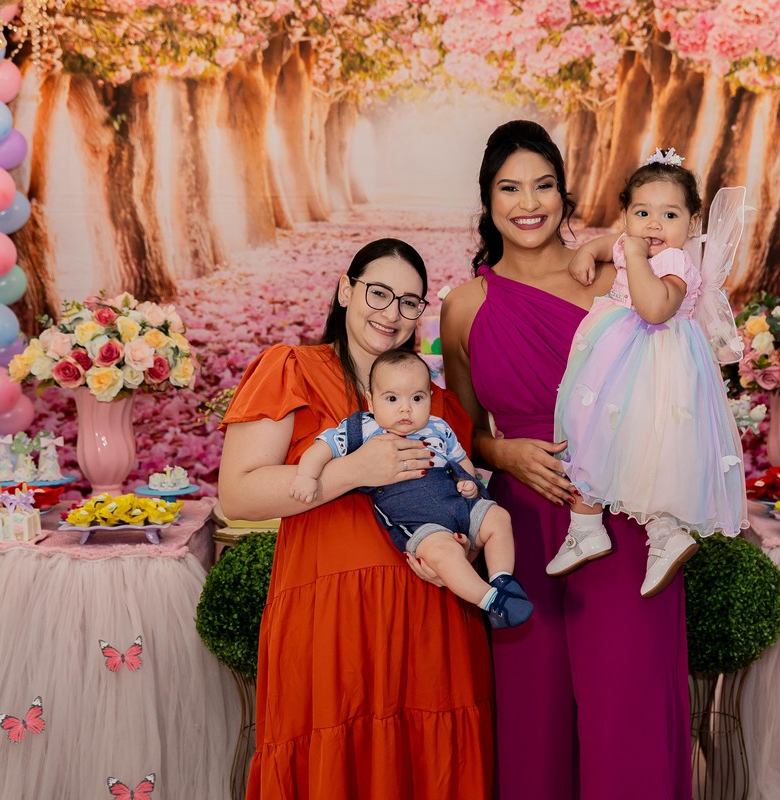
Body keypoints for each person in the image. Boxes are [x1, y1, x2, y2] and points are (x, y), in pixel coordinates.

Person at [440, 120, 690, 799]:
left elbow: (677, 369)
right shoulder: (464, 307)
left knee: (626, 711)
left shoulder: (615, 275)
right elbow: (461, 431)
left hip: (623, 516)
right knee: (533, 716)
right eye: (510, 188)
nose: (529, 203)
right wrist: (504, 453)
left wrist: (613, 244)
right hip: (520, 528)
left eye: (543, 185)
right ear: (487, 200)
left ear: (564, 193)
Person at [219, 238, 494, 799]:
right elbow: (238, 494)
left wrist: (461, 548)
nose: (391, 313)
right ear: (346, 290)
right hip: (329, 623)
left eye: (410, 302)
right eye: (378, 293)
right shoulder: (291, 370)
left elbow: (463, 503)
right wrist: (351, 470)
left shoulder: (438, 406)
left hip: (429, 624)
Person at [550, 149, 748, 597]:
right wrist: (589, 249)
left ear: (692, 224)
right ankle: (585, 527)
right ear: (625, 216)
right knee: (588, 432)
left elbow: (655, 309)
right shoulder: (629, 241)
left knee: (651, 449)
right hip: (614, 362)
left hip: (657, 368)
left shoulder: (675, 263)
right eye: (642, 213)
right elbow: (613, 244)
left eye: (669, 215)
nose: (654, 225)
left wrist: (636, 257)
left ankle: (666, 534)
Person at [290, 348, 533, 628]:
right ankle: (492, 602)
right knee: (444, 555)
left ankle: (502, 579)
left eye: (417, 398)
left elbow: (461, 460)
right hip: (420, 521)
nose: (405, 408)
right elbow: (322, 448)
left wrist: (468, 483)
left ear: (429, 398)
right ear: (371, 401)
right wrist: (307, 476)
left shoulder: (439, 428)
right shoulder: (362, 429)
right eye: (392, 398)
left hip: (458, 503)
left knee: (498, 517)